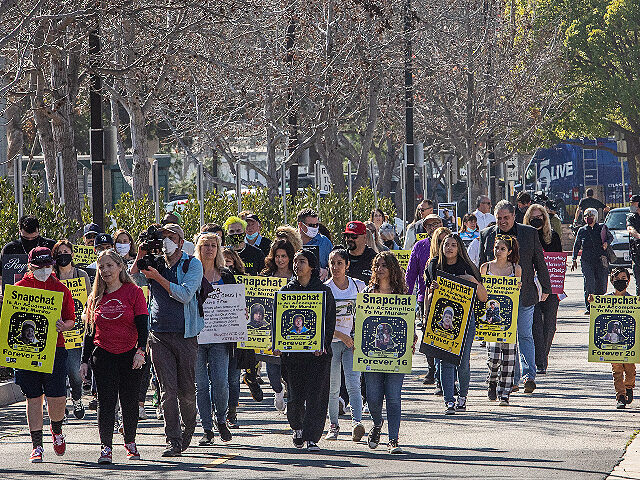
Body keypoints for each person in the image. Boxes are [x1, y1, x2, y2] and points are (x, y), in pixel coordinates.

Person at [130, 223, 204, 457]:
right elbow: (131, 281)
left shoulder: (192, 264)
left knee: (186, 391)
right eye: (163, 238)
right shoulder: (155, 262)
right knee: (168, 391)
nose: (167, 241)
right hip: (158, 335)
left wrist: (158, 278)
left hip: (185, 335)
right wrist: (141, 255)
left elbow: (184, 294)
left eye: (171, 237)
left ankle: (188, 427)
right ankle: (172, 439)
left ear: (181, 241)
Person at [80, 250, 149, 464]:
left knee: (129, 402)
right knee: (106, 402)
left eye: (110, 266)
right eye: (101, 267)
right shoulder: (96, 296)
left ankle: (130, 442)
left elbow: (143, 326)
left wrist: (141, 351)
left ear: (120, 267)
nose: (106, 271)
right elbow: (89, 331)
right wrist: (84, 361)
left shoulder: (134, 292)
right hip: (103, 354)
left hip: (130, 354)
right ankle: (106, 448)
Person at [478, 200, 551, 394]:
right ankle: (513, 379)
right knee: (506, 339)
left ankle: (529, 376)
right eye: (499, 218)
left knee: (524, 335)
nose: (502, 221)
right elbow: (480, 266)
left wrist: (546, 287)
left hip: (524, 295)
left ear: (514, 217)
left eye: (506, 218)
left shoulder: (529, 233)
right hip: (496, 300)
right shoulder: (486, 235)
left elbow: (539, 261)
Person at [14, 247, 75, 463]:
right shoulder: (20, 288)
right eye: (40, 267)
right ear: (30, 266)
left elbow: (71, 319)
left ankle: (56, 429)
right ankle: (36, 445)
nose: (44, 271)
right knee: (33, 398)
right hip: (27, 350)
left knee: (57, 397)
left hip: (55, 349)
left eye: (48, 266)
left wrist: (63, 326)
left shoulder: (60, 289)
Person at [278, 249, 336, 452]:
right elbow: (280, 323)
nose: (297, 265)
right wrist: (278, 345)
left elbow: (329, 323)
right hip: (293, 356)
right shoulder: (286, 292)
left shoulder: (324, 292)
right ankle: (297, 427)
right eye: (295, 261)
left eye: (301, 261)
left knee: (316, 397)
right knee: (294, 395)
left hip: (317, 356)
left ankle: (312, 436)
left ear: (311, 266)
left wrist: (323, 345)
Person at [426, 235, 488, 414]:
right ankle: (449, 401)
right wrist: (432, 291)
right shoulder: (434, 266)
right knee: (445, 361)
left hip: (466, 320)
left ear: (459, 248)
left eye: (454, 245)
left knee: (462, 362)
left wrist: (473, 281)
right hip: (442, 319)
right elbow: (429, 300)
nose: (449, 248)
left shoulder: (467, 267)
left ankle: (462, 397)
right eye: (446, 244)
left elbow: (484, 297)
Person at [364, 251, 414, 453]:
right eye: (377, 265)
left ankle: (393, 439)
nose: (380, 269)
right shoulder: (368, 293)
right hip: (371, 356)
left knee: (393, 396)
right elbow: (361, 323)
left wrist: (411, 338)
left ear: (392, 268)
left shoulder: (402, 294)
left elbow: (408, 324)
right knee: (374, 398)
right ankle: (377, 424)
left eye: (384, 265)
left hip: (395, 356)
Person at [193, 233, 235, 445]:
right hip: (197, 336)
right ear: (198, 248)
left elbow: (236, 302)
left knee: (220, 382)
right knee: (201, 385)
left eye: (213, 245)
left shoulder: (226, 274)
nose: (209, 249)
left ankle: (221, 419)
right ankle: (206, 428)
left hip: (220, 337)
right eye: (205, 245)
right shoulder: (190, 272)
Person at [324, 247, 366, 443]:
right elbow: (322, 322)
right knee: (333, 387)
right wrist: (340, 335)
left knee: (353, 384)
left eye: (340, 263)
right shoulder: (325, 288)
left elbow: (366, 314)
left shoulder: (358, 286)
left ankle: (357, 423)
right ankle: (333, 426)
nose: (335, 267)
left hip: (352, 343)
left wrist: (356, 337)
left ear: (347, 265)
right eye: (332, 263)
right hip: (332, 343)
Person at [406, 226, 450, 387]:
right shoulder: (427, 259)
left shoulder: (458, 261)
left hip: (452, 304)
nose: (443, 246)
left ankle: (446, 377)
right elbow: (411, 274)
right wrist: (406, 297)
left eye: (445, 242)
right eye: (439, 242)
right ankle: (433, 370)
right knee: (430, 338)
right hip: (428, 301)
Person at [480, 235, 522, 406]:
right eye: (496, 248)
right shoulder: (486, 267)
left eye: (502, 249)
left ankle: (504, 393)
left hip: (509, 318)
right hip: (489, 320)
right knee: (494, 356)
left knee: (509, 358)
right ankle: (491, 380)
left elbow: (517, 292)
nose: (498, 251)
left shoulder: (516, 269)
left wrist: (518, 286)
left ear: (509, 252)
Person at [52, 240, 91, 421]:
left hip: (76, 331)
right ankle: (60, 407)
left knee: (75, 373)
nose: (63, 255)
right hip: (57, 331)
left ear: (72, 254)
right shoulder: (52, 276)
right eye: (59, 252)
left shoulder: (81, 274)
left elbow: (89, 299)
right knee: (58, 373)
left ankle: (76, 398)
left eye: (66, 251)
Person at [588, 267, 635, 409]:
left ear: (628, 281)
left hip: (628, 345)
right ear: (611, 281)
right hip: (612, 347)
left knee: (630, 370)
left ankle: (628, 387)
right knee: (617, 370)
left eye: (623, 279)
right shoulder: (605, 299)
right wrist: (592, 302)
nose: (620, 281)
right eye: (617, 279)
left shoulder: (633, 301)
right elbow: (597, 315)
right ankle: (620, 396)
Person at [524, 204, 562, 374]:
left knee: (550, 325)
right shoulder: (524, 236)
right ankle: (540, 361)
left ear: (545, 218)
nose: (536, 219)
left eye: (540, 216)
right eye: (533, 217)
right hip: (531, 285)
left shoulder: (553, 237)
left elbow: (558, 261)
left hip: (551, 286)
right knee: (536, 325)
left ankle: (543, 355)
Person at [261, 238, 296, 413]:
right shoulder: (266, 277)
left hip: (292, 331)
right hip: (270, 331)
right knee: (273, 374)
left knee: (290, 372)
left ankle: (291, 401)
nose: (280, 260)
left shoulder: (297, 278)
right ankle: (278, 391)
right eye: (277, 256)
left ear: (290, 257)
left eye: (284, 256)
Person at [571, 208, 612, 315]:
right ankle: (589, 307)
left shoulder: (602, 228)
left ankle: (599, 305)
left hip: (600, 260)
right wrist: (574, 259)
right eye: (586, 216)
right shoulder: (582, 230)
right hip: (587, 260)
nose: (588, 218)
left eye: (590, 216)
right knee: (589, 283)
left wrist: (606, 243)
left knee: (601, 283)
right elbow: (577, 245)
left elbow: (610, 237)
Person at [297, 208, 333, 280]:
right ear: (300, 225)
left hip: (318, 285)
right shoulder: (291, 241)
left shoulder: (324, 242)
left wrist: (327, 271)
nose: (315, 228)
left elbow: (334, 262)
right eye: (311, 225)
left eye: (316, 225)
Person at [626, 195, 640, 295]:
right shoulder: (631, 217)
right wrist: (639, 236)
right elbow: (630, 229)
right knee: (639, 283)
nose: (631, 206)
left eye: (633, 203)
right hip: (637, 254)